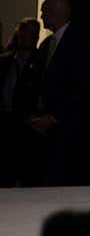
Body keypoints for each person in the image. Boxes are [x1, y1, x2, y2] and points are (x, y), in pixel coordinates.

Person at [19, 0, 90, 186]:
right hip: (42, 132)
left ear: (55, 13)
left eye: (45, 12)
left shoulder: (80, 42)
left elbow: (82, 87)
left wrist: (55, 117)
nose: (42, 17)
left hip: (68, 132)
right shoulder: (45, 45)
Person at [0, 19, 41, 186]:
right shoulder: (4, 61)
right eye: (26, 32)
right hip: (4, 124)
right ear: (19, 33)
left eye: (33, 34)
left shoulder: (40, 61)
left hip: (25, 128)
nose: (29, 37)